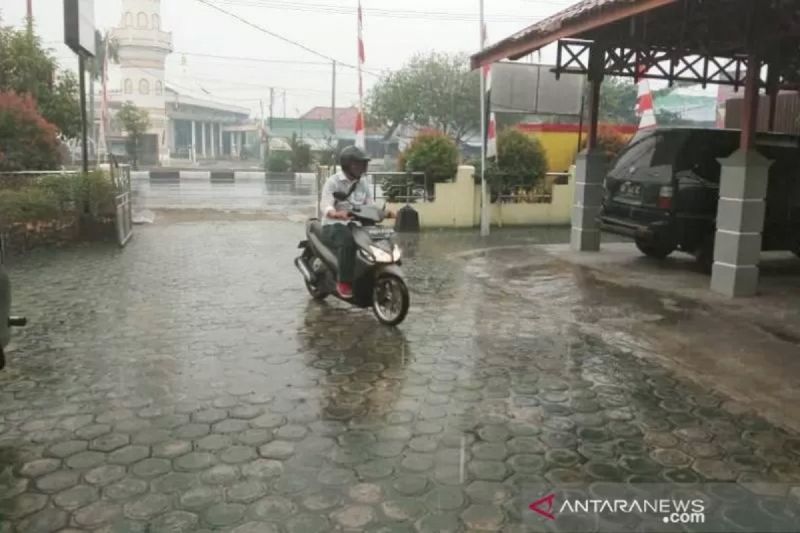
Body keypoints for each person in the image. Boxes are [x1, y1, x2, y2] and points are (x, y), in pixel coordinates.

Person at [320, 146, 393, 299]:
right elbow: (325, 205)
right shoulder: (333, 182)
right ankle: (344, 282)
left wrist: (385, 212)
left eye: (363, 163)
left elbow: (369, 205)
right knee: (347, 241)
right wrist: (336, 213)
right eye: (357, 164)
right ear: (347, 165)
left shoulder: (363, 183)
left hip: (357, 224)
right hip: (333, 225)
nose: (361, 167)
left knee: (380, 236)